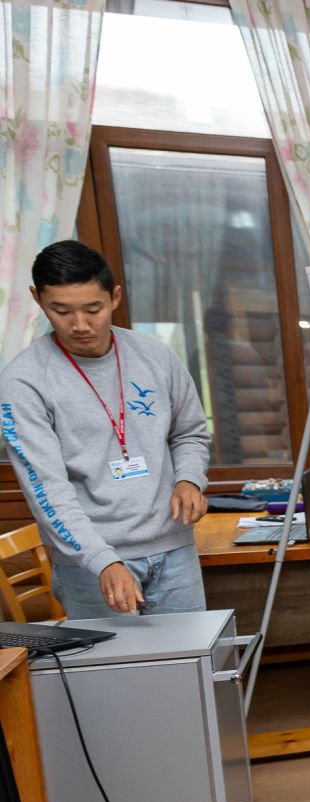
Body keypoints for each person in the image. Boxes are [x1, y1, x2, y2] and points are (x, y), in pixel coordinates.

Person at [0, 240, 211, 618]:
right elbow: (46, 489)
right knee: (114, 660)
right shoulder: (23, 382)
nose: (80, 325)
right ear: (37, 299)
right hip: (92, 563)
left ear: (114, 297)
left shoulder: (155, 355)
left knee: (193, 655)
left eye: (93, 309)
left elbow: (189, 432)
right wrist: (102, 560)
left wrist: (188, 480)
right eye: (61, 311)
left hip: (174, 548)